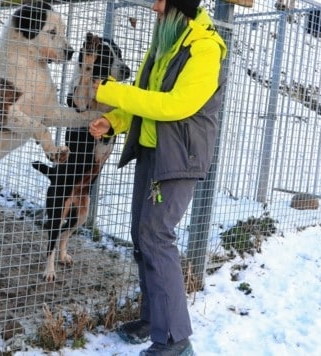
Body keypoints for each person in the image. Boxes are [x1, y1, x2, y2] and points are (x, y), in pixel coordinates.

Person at [89, 0, 227, 355]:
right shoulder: (168, 42)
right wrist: (115, 120)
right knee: (143, 235)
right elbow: (148, 92)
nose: (154, 7)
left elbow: (174, 105)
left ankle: (175, 341)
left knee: (157, 237)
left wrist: (110, 91)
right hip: (153, 151)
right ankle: (154, 319)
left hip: (179, 157)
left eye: (162, 2)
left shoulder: (205, 49)